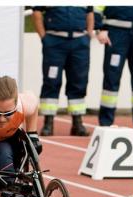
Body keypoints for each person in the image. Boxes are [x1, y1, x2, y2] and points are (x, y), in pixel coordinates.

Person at [32, 6, 94, 136]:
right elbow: (36, 12)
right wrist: (44, 38)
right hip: (55, 43)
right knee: (51, 81)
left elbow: (90, 13)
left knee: (79, 81)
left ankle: (77, 123)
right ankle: (48, 123)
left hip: (80, 43)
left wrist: (88, 36)